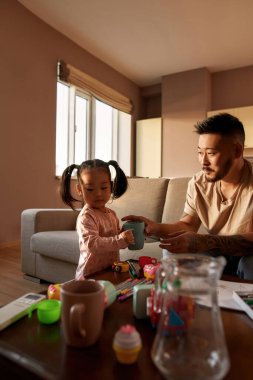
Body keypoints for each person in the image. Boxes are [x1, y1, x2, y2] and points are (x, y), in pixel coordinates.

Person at [123, 113, 253, 279]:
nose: (203, 161)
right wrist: (155, 227)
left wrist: (205, 241)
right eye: (200, 152)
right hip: (218, 253)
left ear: (237, 151)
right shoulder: (199, 183)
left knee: (249, 265)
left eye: (211, 153)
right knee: (172, 255)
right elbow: (188, 224)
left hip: (247, 255)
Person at [60, 159, 134, 278]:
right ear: (79, 189)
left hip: (109, 271)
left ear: (110, 186)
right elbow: (92, 244)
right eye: (90, 189)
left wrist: (126, 236)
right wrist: (120, 240)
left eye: (104, 188)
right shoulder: (86, 216)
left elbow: (114, 241)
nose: (98, 193)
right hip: (89, 275)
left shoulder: (112, 214)